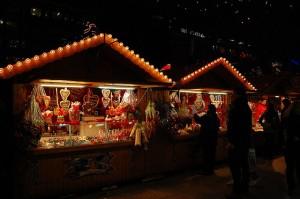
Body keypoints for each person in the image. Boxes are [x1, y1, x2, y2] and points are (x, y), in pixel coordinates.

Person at [226, 88, 252, 199]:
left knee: (235, 166)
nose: (232, 96)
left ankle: (236, 191)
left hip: (236, 142)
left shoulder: (235, 108)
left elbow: (234, 127)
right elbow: (246, 127)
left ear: (237, 95)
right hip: (245, 141)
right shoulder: (246, 108)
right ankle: (244, 188)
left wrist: (231, 141)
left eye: (233, 94)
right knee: (244, 165)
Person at [194, 104, 220, 175]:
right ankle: (211, 170)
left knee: (206, 155)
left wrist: (194, 113)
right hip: (214, 139)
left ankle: (206, 170)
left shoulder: (207, 117)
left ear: (209, 109)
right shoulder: (216, 118)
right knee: (212, 155)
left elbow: (198, 120)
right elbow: (218, 126)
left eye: (208, 109)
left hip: (206, 139)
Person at [284, 99, 300, 197]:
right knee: (297, 167)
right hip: (295, 146)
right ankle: (293, 187)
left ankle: (291, 187)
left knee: (290, 167)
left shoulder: (287, 118)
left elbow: (285, 131)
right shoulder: (294, 119)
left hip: (290, 146)